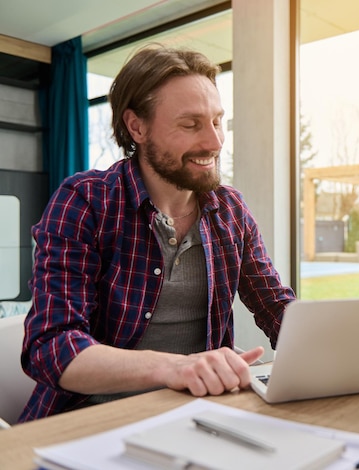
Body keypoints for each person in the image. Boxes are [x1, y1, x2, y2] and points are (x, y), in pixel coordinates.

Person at [19, 45, 296, 421]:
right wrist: (173, 368)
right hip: (88, 421)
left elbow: (277, 308)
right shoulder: (84, 202)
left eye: (218, 121)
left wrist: (339, 347)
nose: (214, 142)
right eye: (190, 124)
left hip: (199, 418)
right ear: (138, 126)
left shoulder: (231, 210)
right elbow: (52, 347)